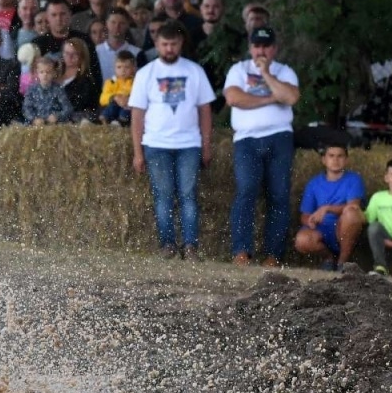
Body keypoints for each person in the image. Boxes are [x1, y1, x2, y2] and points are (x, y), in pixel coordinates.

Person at [130, 23, 214, 257]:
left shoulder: (195, 71)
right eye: (164, 45)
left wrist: (206, 145)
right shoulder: (145, 74)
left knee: (188, 195)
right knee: (163, 196)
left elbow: (205, 110)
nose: (169, 49)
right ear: (156, 45)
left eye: (173, 44)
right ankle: (167, 245)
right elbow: (137, 115)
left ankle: (190, 246)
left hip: (189, 143)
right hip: (156, 144)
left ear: (180, 45)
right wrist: (138, 152)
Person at [224, 26, 300, 266]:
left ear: (274, 48)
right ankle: (241, 251)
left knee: (278, 195)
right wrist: (270, 98)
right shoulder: (238, 70)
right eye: (257, 45)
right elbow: (234, 98)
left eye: (266, 46)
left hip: (280, 138)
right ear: (250, 47)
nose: (261, 50)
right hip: (246, 139)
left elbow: (290, 98)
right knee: (246, 191)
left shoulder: (285, 71)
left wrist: (266, 73)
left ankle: (273, 256)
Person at [293, 140, 367, 269]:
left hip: (342, 227)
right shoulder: (314, 183)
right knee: (301, 240)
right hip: (321, 229)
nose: (335, 160)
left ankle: (342, 263)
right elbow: (305, 215)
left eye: (340, 156)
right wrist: (310, 221)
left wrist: (327, 209)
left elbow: (353, 206)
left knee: (351, 214)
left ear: (346, 160)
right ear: (324, 160)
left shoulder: (354, 179)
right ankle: (328, 258)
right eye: (331, 156)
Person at [23, 54, 70, 125]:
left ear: (54, 73)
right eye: (41, 72)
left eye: (48, 72)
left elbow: (68, 108)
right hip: (36, 125)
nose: (45, 75)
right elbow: (26, 108)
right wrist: (34, 119)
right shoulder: (31, 90)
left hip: (55, 124)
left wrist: (57, 116)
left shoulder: (58, 89)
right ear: (37, 73)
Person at [99, 50, 136, 125]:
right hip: (114, 106)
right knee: (112, 105)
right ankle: (104, 119)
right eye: (119, 67)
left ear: (133, 68)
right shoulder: (110, 82)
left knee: (127, 108)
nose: (123, 70)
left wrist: (127, 99)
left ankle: (120, 122)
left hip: (127, 106)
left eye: (127, 67)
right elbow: (102, 99)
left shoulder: (136, 82)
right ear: (114, 68)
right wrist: (114, 97)